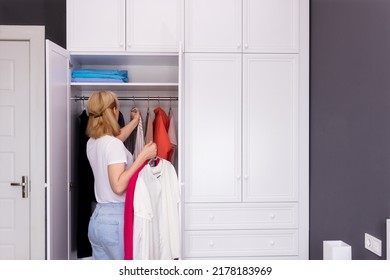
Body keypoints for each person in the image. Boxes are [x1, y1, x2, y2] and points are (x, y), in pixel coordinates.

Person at [85, 90, 157, 260]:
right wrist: (142, 158)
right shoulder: (113, 145)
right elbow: (118, 186)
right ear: (115, 110)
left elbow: (118, 137)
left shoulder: (93, 142)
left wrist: (135, 121)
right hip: (116, 219)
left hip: (97, 219)